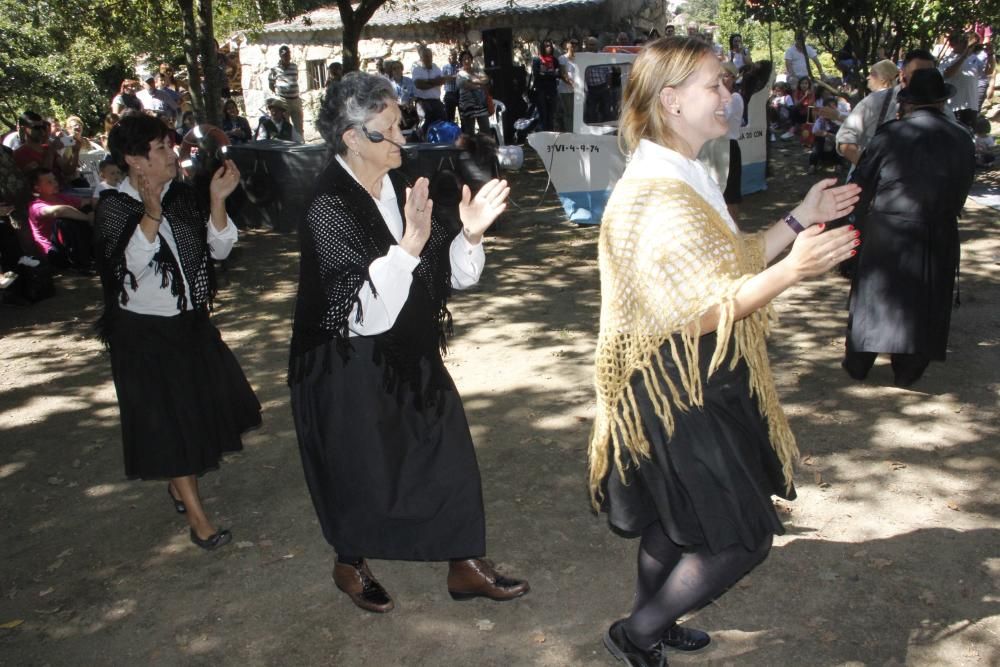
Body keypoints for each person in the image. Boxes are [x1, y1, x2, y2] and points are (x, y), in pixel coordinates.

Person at [590, 36, 860, 665]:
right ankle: (638, 632)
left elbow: (727, 264)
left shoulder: (685, 171)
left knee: (672, 516)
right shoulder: (656, 195)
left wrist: (800, 215)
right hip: (675, 381)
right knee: (741, 535)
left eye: (728, 83)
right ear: (670, 99)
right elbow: (697, 314)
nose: (729, 95)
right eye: (716, 84)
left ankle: (648, 622)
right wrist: (792, 271)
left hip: (686, 374)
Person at [288, 72, 528, 614]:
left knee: (446, 447)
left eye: (400, 122)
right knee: (360, 466)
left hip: (408, 353)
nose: (403, 135)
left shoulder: (402, 184)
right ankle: (350, 562)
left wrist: (467, 234)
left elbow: (451, 277)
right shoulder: (327, 205)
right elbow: (361, 314)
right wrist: (409, 248)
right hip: (344, 359)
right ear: (354, 137)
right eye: (390, 127)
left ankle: (463, 563)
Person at [95, 114, 261, 550]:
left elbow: (219, 248)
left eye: (171, 146)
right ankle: (199, 518)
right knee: (172, 427)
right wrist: (151, 214)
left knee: (204, 410)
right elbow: (127, 266)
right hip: (144, 336)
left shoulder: (183, 196)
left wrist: (218, 199)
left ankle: (177, 484)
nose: (173, 154)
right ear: (134, 159)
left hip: (190, 325)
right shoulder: (114, 206)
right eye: (162, 148)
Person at [842, 68, 975, 387]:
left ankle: (858, 364)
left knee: (874, 296)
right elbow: (962, 187)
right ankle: (908, 369)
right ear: (942, 102)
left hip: (888, 227)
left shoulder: (890, 133)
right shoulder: (961, 138)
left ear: (909, 103)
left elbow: (862, 182)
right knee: (926, 300)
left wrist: (854, 226)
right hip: (937, 228)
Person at [836, 49, 940, 166]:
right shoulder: (875, 101)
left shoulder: (942, 111)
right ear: (902, 75)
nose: (924, 79)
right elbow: (845, 138)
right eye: (918, 74)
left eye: (929, 73)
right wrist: (870, 170)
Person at [27, 168, 94, 269]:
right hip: (54, 253)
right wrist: (87, 218)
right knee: (63, 221)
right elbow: (59, 211)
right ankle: (82, 261)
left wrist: (90, 212)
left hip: (72, 246)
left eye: (54, 180)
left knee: (84, 210)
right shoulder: (35, 206)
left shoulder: (60, 197)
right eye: (49, 182)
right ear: (38, 188)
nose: (55, 183)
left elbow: (86, 202)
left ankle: (91, 254)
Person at [940, 31, 986, 129]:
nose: (966, 44)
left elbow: (988, 71)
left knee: (970, 138)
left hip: (971, 106)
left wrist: (990, 55)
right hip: (954, 106)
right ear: (953, 44)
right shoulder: (947, 59)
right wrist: (964, 56)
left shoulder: (974, 58)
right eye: (963, 42)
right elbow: (947, 74)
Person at [268, 45, 304, 136]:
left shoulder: (294, 66)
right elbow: (271, 84)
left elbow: (295, 79)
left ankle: (301, 144)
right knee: (285, 125)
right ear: (280, 55)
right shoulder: (275, 69)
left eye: (288, 54)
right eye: (285, 54)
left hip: (296, 100)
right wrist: (281, 92)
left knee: (299, 126)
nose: (287, 56)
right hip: (283, 101)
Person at [456, 50, 492, 136]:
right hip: (467, 106)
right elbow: (465, 85)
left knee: (486, 130)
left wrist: (471, 80)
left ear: (471, 60)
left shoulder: (478, 69)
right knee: (469, 132)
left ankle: (485, 148)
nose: (467, 61)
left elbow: (486, 79)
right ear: (461, 61)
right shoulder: (460, 74)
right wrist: (479, 83)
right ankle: (471, 149)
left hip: (481, 105)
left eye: (468, 58)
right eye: (464, 59)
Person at [411, 47, 448, 126]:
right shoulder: (417, 70)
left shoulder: (436, 68)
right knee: (425, 126)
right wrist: (435, 82)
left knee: (442, 124)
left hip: (436, 102)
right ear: (421, 58)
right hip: (423, 102)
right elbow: (419, 85)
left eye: (430, 56)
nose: (429, 58)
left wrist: (426, 81)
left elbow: (442, 81)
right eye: (426, 56)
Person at [531, 39, 561, 131]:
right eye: (546, 46)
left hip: (552, 90)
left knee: (551, 113)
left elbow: (558, 74)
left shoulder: (554, 60)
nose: (548, 48)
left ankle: (551, 133)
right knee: (542, 113)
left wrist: (545, 73)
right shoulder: (537, 60)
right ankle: (543, 134)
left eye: (549, 46)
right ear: (542, 48)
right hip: (541, 90)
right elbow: (537, 74)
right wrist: (551, 74)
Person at [558, 38, 579, 131]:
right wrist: (573, 84)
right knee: (569, 113)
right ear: (567, 45)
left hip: (579, 90)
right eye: (572, 43)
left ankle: (577, 131)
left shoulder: (580, 57)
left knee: (578, 113)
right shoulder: (562, 58)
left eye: (576, 43)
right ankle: (570, 132)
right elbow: (563, 74)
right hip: (566, 90)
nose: (574, 45)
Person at [441, 50, 460, 123]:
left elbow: (462, 77)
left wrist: (449, 77)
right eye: (451, 55)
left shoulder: (460, 66)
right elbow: (443, 80)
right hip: (449, 94)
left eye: (455, 55)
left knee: (463, 116)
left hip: (459, 93)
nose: (453, 57)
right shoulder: (445, 67)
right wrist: (455, 77)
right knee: (449, 116)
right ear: (448, 57)